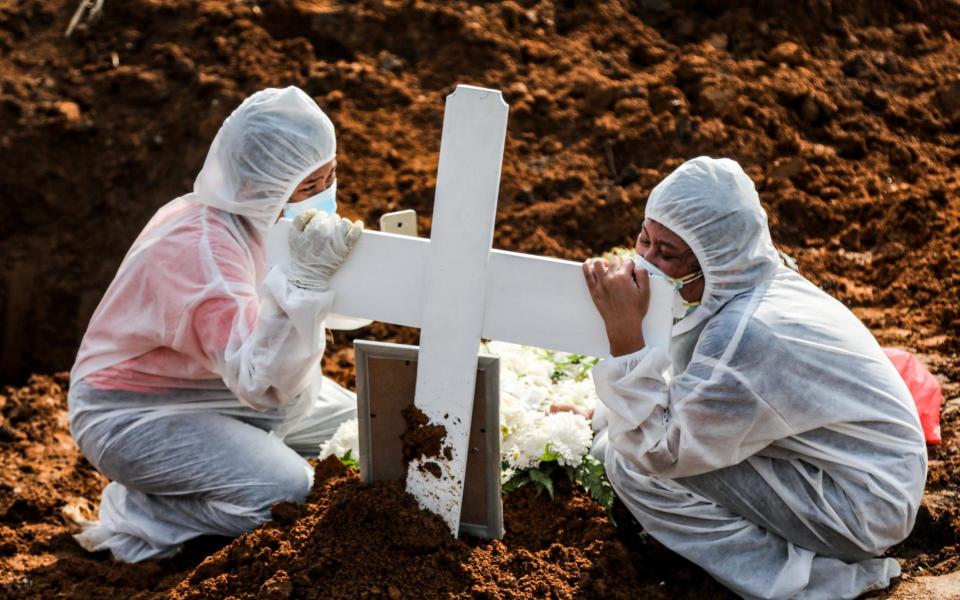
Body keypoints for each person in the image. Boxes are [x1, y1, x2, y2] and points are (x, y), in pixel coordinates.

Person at [581, 157, 926, 599]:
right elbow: (693, 395)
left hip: (857, 506)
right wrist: (601, 413)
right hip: (856, 476)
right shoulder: (751, 284)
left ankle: (811, 582)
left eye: (667, 254)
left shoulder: (749, 333)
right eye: (644, 240)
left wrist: (625, 338)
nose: (645, 262)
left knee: (632, 465)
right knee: (616, 438)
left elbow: (660, 450)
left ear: (715, 257)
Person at [67, 86, 364, 563]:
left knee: (370, 430)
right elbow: (262, 383)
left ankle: (232, 461)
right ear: (263, 181)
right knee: (284, 496)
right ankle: (146, 514)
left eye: (332, 176)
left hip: (217, 391)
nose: (326, 195)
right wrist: (308, 283)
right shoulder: (201, 252)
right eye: (311, 186)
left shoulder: (263, 218)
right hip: (134, 413)